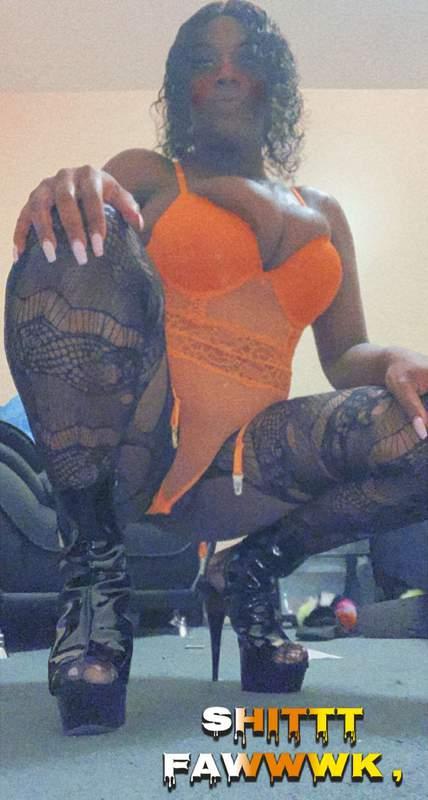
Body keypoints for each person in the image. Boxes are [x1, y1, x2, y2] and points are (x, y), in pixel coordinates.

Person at [5, 0, 428, 735]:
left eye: (245, 58)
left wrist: (400, 358)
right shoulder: (147, 174)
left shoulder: (323, 211)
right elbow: (87, 265)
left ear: (274, 84)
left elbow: (343, 355)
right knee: (74, 239)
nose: (227, 73)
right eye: (205, 61)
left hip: (252, 465)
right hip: (139, 453)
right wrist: (73, 186)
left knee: (421, 425)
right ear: (183, 90)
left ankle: (251, 571)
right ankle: (96, 574)